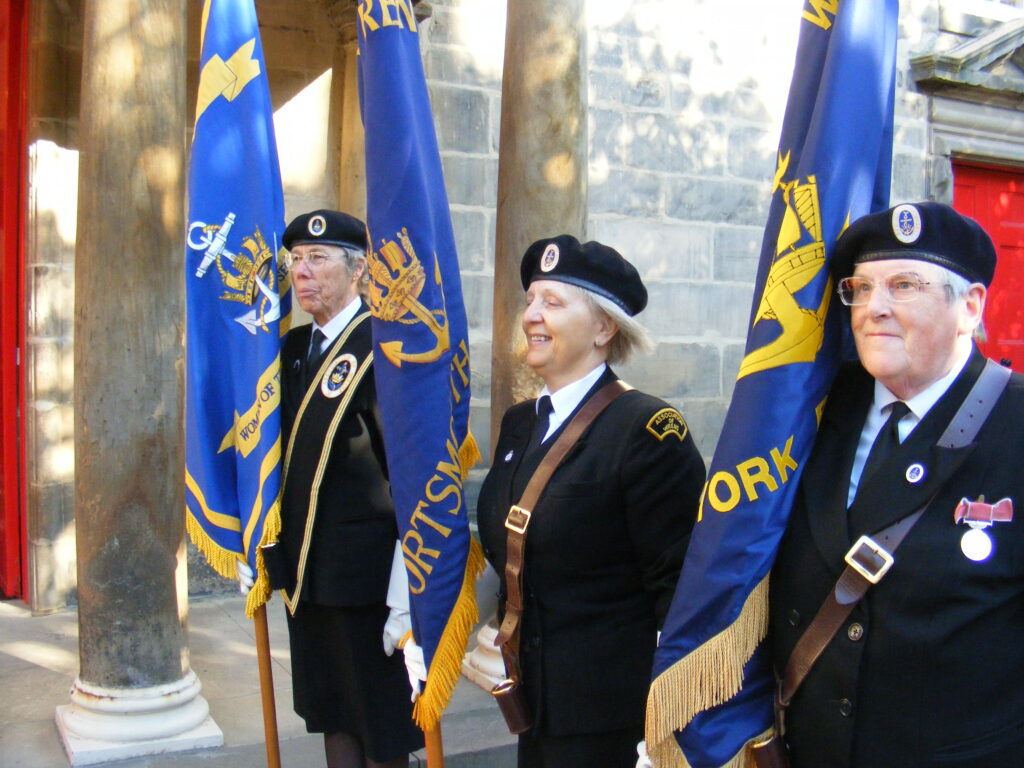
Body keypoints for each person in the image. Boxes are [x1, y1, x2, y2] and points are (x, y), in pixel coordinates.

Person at [769, 202, 1024, 767]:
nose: (871, 309)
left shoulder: (1015, 424)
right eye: (859, 289)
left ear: (970, 307)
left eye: (903, 285)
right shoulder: (811, 410)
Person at [475, 235, 707, 768]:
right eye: (531, 298)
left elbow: (679, 589)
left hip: (612, 716)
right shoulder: (520, 423)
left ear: (605, 328)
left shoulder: (647, 428)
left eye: (553, 302)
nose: (531, 314)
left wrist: (670, 722)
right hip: (533, 703)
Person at [238, 209, 422, 768]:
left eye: (318, 259)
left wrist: (407, 582)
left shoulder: (385, 348)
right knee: (332, 714)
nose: (301, 272)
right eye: (295, 259)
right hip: (308, 576)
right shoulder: (293, 350)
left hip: (367, 581)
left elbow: (409, 474)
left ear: (359, 269)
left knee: (380, 725)